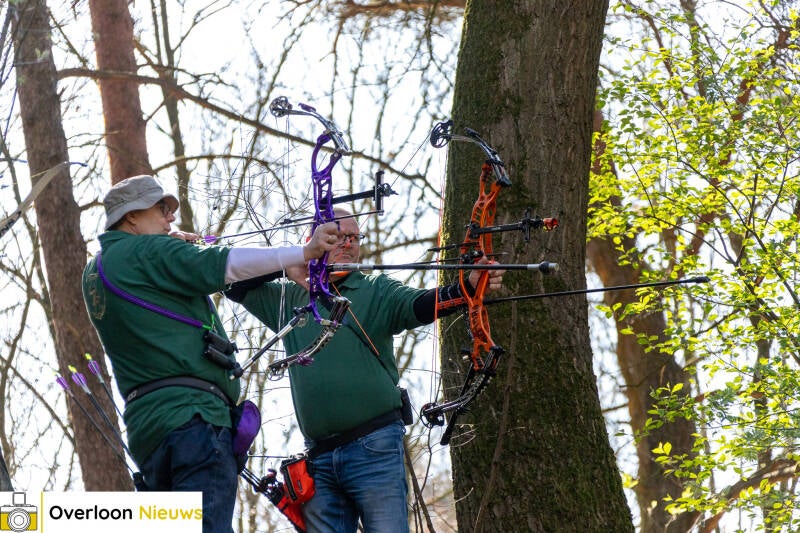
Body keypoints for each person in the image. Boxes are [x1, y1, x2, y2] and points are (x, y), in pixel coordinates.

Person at [81, 175, 340, 533]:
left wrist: (165, 249)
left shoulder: (96, 270)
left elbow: (149, 278)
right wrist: (303, 253)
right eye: (161, 209)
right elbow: (222, 263)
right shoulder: (148, 253)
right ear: (132, 217)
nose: (171, 217)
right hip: (194, 423)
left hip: (148, 432)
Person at [225, 208, 504, 533]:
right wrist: (290, 262)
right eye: (339, 236)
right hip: (318, 458)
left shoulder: (375, 289)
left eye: (355, 238)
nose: (350, 244)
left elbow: (421, 305)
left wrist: (468, 288)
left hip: (374, 447)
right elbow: (232, 282)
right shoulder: (289, 297)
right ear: (314, 239)